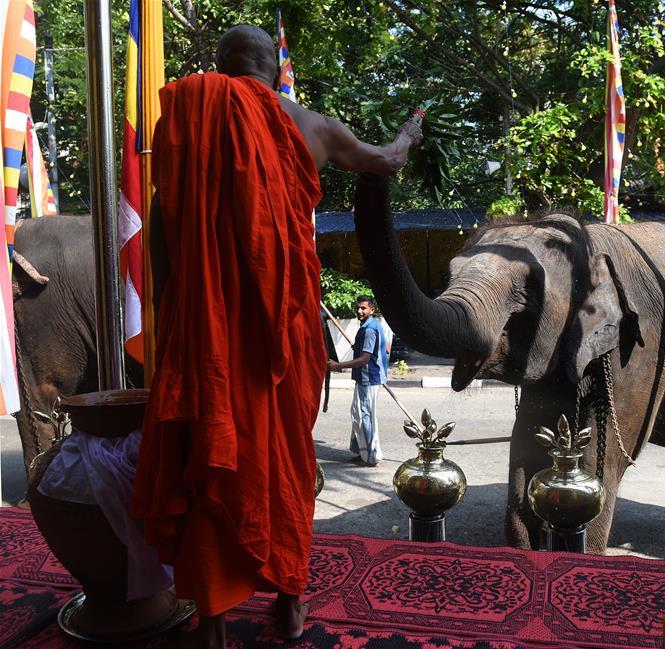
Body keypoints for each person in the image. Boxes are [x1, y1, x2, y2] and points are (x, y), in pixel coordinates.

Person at [131, 25, 421, 649]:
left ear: (222, 66)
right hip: (283, 337)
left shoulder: (194, 113)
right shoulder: (312, 126)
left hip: (208, 337)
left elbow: (164, 230)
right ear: (275, 69)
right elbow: (386, 160)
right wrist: (407, 134)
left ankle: (213, 625)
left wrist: (174, 322)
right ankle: (290, 604)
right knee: (286, 460)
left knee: (212, 455)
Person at [327, 296, 389, 466]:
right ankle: (361, 452)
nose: (360, 311)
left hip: (368, 379)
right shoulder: (369, 326)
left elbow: (364, 359)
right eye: (358, 308)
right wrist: (360, 347)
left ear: (372, 310)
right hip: (366, 378)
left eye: (364, 308)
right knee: (357, 413)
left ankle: (371, 457)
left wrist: (337, 365)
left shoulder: (369, 330)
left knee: (364, 416)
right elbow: (380, 349)